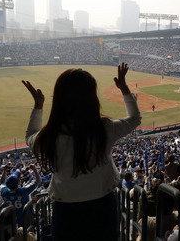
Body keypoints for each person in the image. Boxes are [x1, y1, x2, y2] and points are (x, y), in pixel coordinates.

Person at [22, 62, 141, 241]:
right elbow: (134, 118)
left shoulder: (49, 136)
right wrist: (124, 88)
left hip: (65, 211)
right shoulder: (104, 128)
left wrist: (38, 106)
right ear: (91, 98)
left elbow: (30, 135)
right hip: (103, 206)